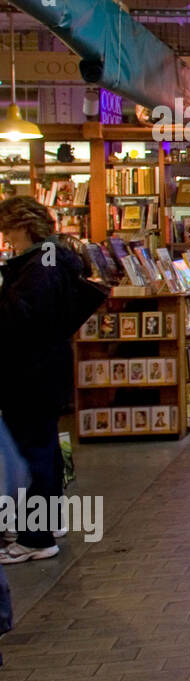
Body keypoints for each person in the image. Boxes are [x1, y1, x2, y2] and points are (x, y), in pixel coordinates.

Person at [0, 197, 87, 564]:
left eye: (8, 231)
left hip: (30, 373)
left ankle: (36, 536)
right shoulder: (52, 259)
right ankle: (46, 524)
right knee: (44, 447)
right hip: (45, 370)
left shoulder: (39, 265)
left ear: (23, 225)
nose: (6, 239)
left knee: (33, 448)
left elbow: (22, 319)